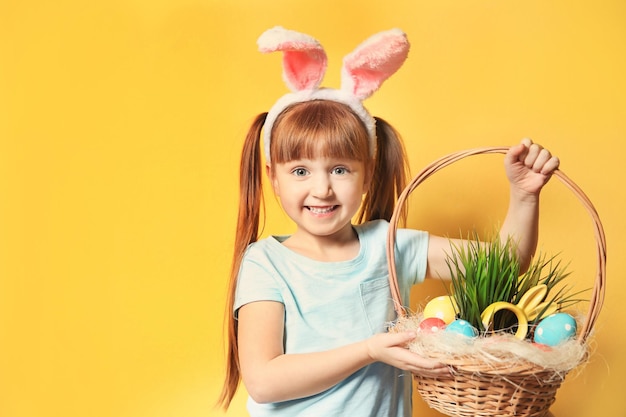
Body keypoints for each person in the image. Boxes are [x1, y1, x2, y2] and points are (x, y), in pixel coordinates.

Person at [219, 27, 560, 417]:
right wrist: (368, 350)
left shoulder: (390, 245)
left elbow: (505, 263)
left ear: (368, 173)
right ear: (273, 178)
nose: (322, 189)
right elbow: (264, 382)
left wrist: (524, 196)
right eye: (299, 171)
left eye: (340, 169)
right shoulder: (266, 262)